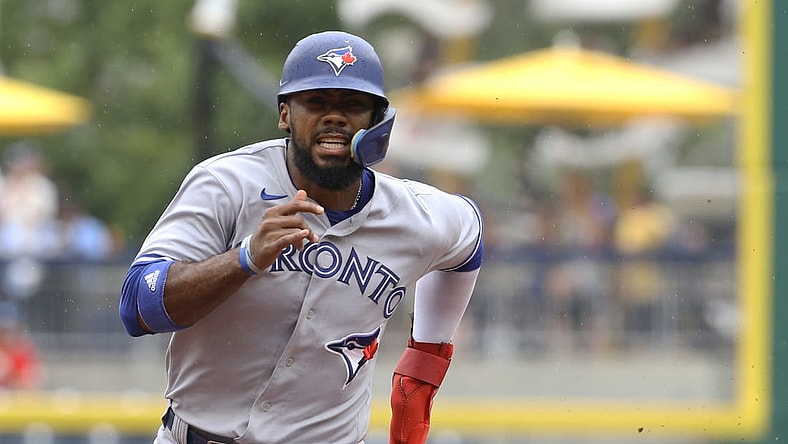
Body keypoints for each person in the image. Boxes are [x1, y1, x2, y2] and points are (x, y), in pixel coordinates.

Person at [119, 31, 484, 444]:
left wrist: (424, 364)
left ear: (378, 121)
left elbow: (468, 241)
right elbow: (138, 308)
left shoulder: (418, 215)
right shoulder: (226, 184)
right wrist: (244, 259)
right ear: (285, 115)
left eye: (352, 104)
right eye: (316, 102)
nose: (334, 116)